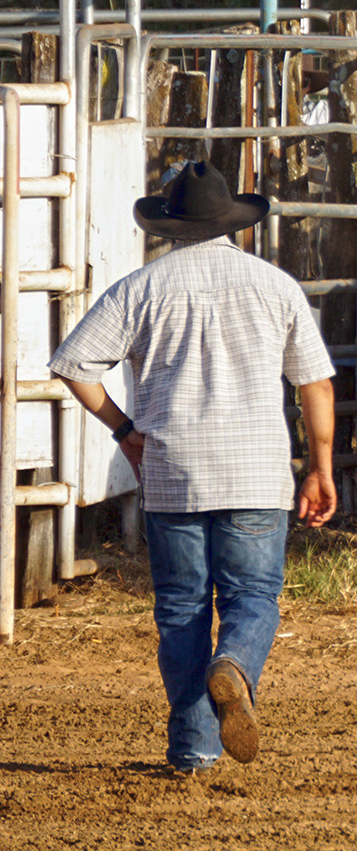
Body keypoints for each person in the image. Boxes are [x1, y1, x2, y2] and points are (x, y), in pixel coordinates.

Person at [50, 161, 338, 776]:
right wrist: (321, 467)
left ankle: (194, 751)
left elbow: (74, 364)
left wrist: (125, 432)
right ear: (233, 222)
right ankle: (232, 663)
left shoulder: (140, 288)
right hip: (257, 471)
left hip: (172, 471)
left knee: (182, 609)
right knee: (253, 596)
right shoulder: (275, 285)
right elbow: (315, 384)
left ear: (169, 225)